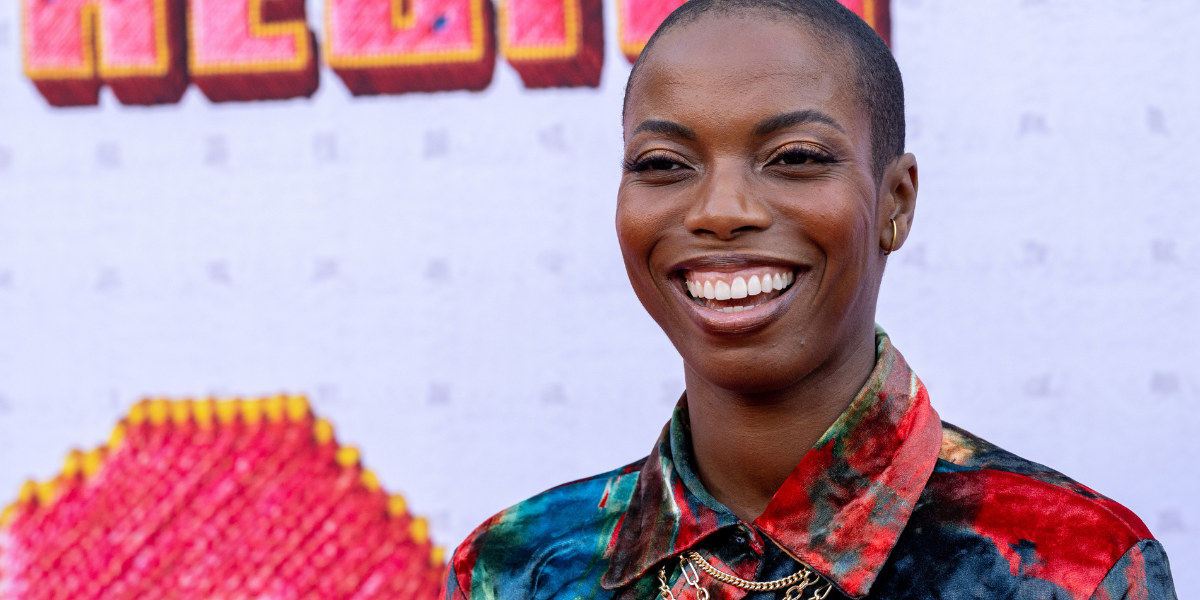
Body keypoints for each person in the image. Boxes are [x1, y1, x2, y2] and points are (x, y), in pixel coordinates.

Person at [445, 0, 1178, 598]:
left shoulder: (1076, 568)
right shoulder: (516, 570)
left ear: (896, 201)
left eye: (794, 158)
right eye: (663, 164)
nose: (721, 210)